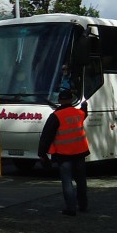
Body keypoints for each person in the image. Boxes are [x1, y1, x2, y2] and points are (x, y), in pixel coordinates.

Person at [38, 88, 90, 216]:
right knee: (81, 180)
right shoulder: (79, 113)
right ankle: (83, 205)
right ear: (72, 100)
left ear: (60, 100)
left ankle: (71, 208)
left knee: (67, 181)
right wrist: (84, 105)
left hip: (64, 154)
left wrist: (42, 153)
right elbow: (84, 112)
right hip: (79, 152)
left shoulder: (55, 116)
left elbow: (46, 136)